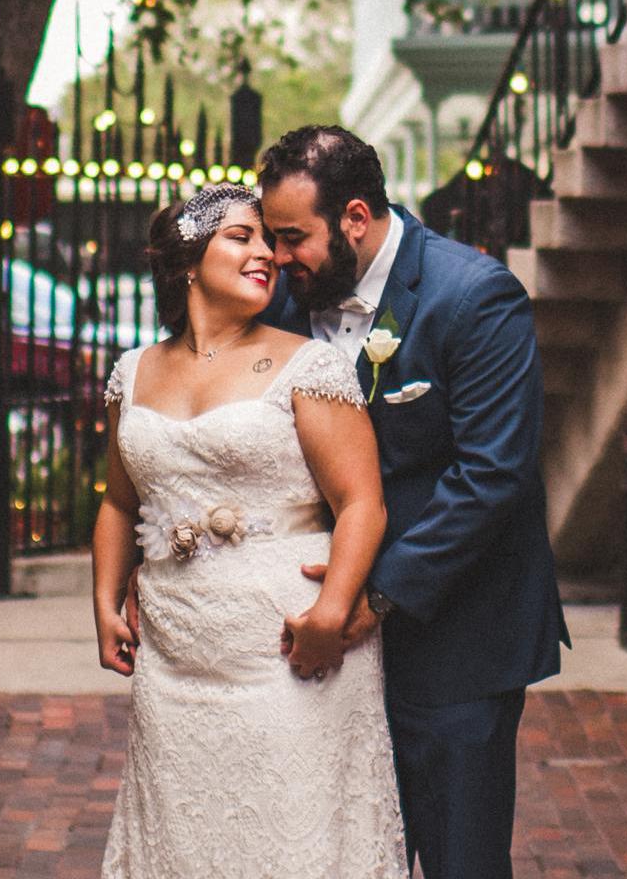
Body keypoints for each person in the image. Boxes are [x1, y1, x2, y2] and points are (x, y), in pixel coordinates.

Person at [253, 124, 564, 879]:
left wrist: (373, 600)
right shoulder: (287, 311)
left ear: (355, 217)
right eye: (271, 237)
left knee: (462, 861)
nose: (277, 257)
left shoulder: (474, 297)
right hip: (326, 658)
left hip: (457, 640)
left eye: (293, 237)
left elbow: (492, 476)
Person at [89, 181, 414, 879]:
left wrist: (331, 614)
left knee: (292, 837)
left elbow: (363, 503)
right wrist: (103, 604)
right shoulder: (133, 373)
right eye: (242, 237)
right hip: (175, 655)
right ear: (186, 261)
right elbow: (119, 502)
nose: (266, 252)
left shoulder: (308, 364)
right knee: (185, 840)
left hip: (287, 647)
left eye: (268, 238)